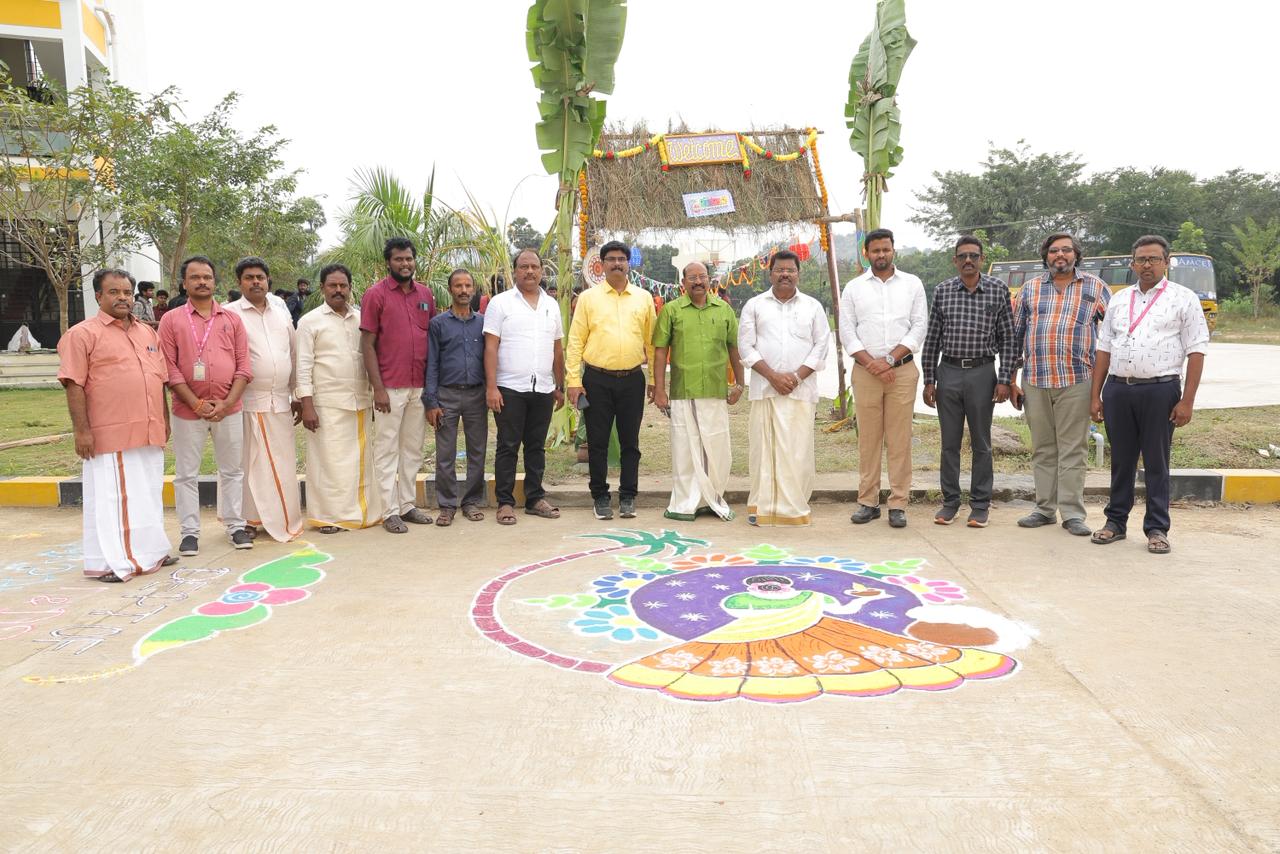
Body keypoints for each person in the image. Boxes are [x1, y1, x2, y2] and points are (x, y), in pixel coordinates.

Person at [1090, 235, 1209, 554]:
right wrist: (1095, 395)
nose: (1147, 265)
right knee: (1121, 460)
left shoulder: (1183, 298)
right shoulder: (1119, 299)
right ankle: (1115, 522)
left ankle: (1157, 528)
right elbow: (1104, 348)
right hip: (1118, 389)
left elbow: (1197, 350)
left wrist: (1187, 401)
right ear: (1132, 264)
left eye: (1154, 259)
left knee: (1157, 461)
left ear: (1166, 262)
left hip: (1161, 389)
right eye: (1141, 259)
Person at [57, 269, 174, 582]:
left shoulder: (147, 333)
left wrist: (164, 419)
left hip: (149, 429)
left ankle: (151, 551)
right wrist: (82, 431)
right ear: (98, 296)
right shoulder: (82, 334)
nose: (122, 298)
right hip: (110, 433)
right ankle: (114, 561)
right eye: (114, 292)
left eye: (126, 292)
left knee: (148, 494)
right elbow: (73, 384)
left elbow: (159, 380)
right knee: (114, 499)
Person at [1010, 233, 1111, 536]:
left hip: (1077, 380)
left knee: (1073, 449)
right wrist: (1011, 380)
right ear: (1046, 256)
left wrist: (1102, 388)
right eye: (1054, 251)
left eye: (1066, 250)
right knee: (1043, 448)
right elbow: (1015, 336)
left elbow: (1113, 335)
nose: (1060, 255)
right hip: (1035, 380)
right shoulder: (1030, 289)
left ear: (1076, 255)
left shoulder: (1095, 287)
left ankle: (1072, 514)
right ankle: (1044, 509)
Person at [158, 255, 254, 555]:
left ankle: (236, 526)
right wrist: (196, 404)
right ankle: (189, 533)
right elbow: (169, 369)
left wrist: (227, 403)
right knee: (187, 474)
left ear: (215, 282)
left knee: (233, 471)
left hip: (229, 409)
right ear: (184, 283)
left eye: (207, 277)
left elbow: (244, 367)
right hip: (187, 411)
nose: (202, 282)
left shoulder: (232, 320)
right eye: (195, 277)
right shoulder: (171, 320)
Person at [920, 235, 1016, 528]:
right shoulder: (943, 291)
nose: (968, 261)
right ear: (955, 261)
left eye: (974, 255)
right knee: (949, 443)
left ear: (982, 259)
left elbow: (1008, 338)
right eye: (962, 256)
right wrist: (929, 379)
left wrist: (1004, 379)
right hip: (948, 372)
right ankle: (950, 502)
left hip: (982, 373)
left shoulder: (997, 289)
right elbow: (932, 338)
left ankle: (980, 504)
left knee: (981, 443)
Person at [840, 228, 928, 528]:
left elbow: (919, 327)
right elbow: (847, 331)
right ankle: (868, 501)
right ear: (866, 253)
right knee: (869, 439)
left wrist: (889, 360)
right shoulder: (854, 288)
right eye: (875, 250)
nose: (881, 255)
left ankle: (898, 503)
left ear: (893, 251)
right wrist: (873, 364)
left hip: (901, 371)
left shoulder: (912, 284)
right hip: (865, 372)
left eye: (886, 249)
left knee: (900, 439)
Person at [738, 249, 829, 526]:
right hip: (766, 391)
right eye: (780, 270)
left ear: (798, 274)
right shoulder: (754, 305)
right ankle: (763, 506)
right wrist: (773, 377)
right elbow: (746, 346)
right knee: (764, 452)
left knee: (798, 450)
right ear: (771, 274)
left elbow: (821, 346)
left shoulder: (813, 307)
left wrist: (796, 377)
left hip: (801, 392)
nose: (785, 274)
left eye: (790, 270)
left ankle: (794, 507)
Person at [566, 240, 655, 521]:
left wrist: (654, 380)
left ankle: (628, 496)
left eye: (621, 259)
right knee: (598, 442)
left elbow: (652, 343)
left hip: (632, 379)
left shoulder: (643, 298)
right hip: (596, 380)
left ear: (629, 264)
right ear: (602, 265)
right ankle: (600, 497)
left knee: (630, 442)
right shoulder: (588, 299)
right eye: (611, 259)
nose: (617, 264)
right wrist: (573, 380)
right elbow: (575, 341)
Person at [652, 261, 744, 521]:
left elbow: (734, 349)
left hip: (716, 391)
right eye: (691, 277)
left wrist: (740, 383)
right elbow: (660, 351)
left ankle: (712, 499)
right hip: (684, 392)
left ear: (709, 280)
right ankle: (685, 503)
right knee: (685, 449)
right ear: (683, 283)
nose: (698, 281)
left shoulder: (724, 310)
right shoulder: (671, 310)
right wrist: (659, 390)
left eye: (702, 276)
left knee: (717, 447)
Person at [295, 264, 384, 533]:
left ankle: (360, 514)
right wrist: (307, 405)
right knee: (328, 463)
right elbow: (303, 365)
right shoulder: (309, 321)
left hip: (359, 400)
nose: (338, 290)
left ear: (350, 288)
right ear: (322, 288)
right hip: (325, 403)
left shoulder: (360, 319)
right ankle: (328, 517)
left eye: (343, 285)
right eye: (332, 285)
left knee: (358, 462)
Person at [484, 249, 565, 525]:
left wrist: (559, 385)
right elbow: (490, 347)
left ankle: (534, 499)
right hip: (509, 388)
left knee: (536, 447)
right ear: (515, 270)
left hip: (542, 388)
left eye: (534, 267)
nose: (530, 271)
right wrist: (491, 387)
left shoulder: (551, 305)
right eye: (523, 266)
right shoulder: (500, 303)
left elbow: (557, 348)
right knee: (508, 446)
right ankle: (505, 502)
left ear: (541, 270)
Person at [360, 236, 436, 533]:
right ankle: (389, 511)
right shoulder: (375, 295)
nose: (405, 264)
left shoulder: (425, 294)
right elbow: (367, 344)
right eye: (398, 259)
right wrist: (378, 388)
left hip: (419, 386)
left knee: (412, 448)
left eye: (408, 259)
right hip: (389, 387)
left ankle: (407, 505)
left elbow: (430, 339)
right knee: (387, 449)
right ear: (388, 263)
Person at [226, 257, 303, 543]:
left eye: (260, 277)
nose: (256, 282)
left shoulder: (281, 311)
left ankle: (283, 517)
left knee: (282, 463)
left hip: (280, 401)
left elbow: (293, 353)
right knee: (250, 465)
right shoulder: (229, 314)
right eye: (249, 277)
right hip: (246, 402)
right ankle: (248, 520)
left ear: (268, 280)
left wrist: (296, 393)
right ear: (239, 282)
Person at [424, 269, 488, 526]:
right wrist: (431, 401)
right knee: (445, 453)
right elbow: (432, 364)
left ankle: (471, 502)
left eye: (468, 286)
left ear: (473, 289)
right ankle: (447, 505)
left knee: (477, 451)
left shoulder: (483, 323)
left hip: (477, 395)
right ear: (450, 289)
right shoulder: (438, 324)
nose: (463, 290)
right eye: (458, 286)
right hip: (446, 395)